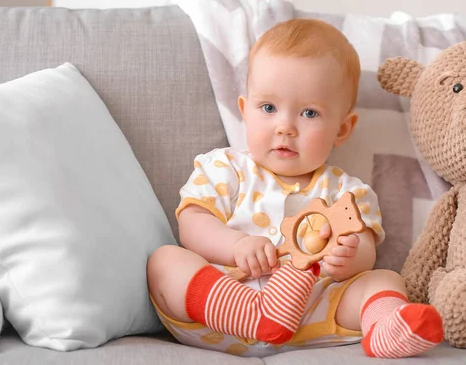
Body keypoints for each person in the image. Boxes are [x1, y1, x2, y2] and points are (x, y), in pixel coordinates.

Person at [147, 18, 443, 358]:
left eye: (310, 113)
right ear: (245, 111)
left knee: (384, 279)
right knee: (164, 262)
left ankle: (387, 327)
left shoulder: (345, 192)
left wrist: (347, 257)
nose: (285, 127)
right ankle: (253, 314)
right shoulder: (226, 168)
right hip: (220, 306)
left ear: (342, 129)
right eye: (269, 108)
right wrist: (236, 244)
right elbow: (192, 222)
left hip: (311, 314)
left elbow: (364, 250)